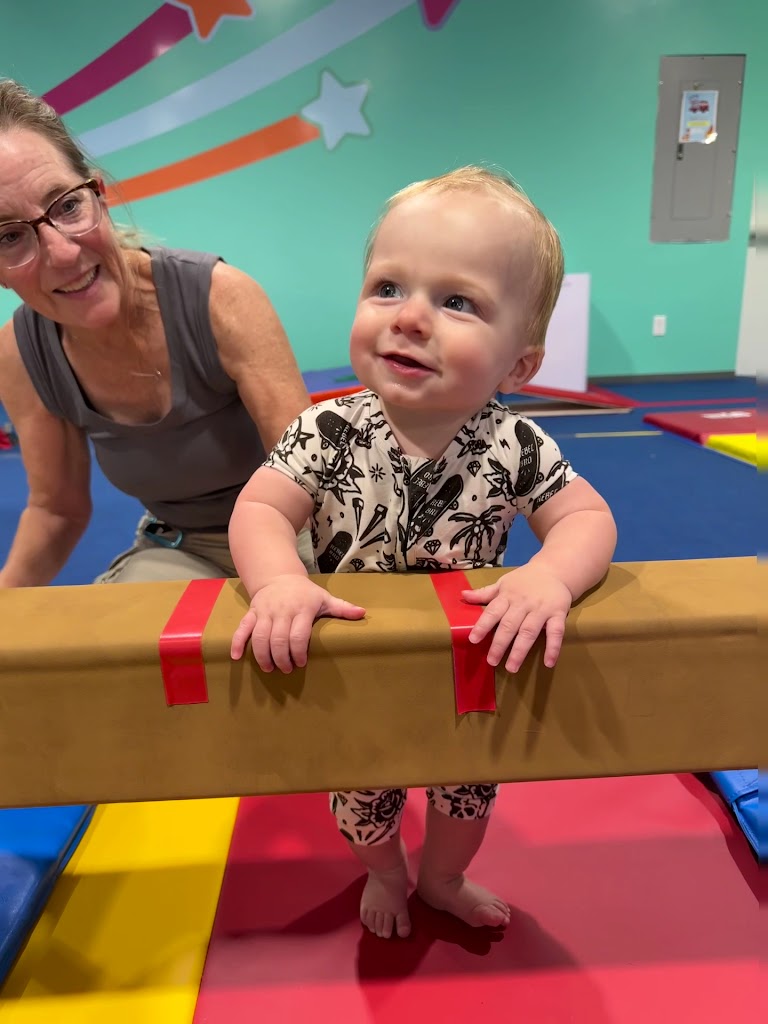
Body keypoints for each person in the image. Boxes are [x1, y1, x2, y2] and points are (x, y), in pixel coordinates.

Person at [229, 165, 617, 939]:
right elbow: (261, 507)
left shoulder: (514, 443)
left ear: (518, 365)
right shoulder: (327, 430)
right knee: (360, 804)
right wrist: (279, 581)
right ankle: (385, 870)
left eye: (457, 301)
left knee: (465, 797)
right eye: (386, 288)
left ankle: (443, 876)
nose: (409, 318)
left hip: (469, 667)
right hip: (357, 668)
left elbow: (588, 517)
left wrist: (549, 577)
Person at [0, 78, 313, 588]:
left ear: (98, 196)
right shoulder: (20, 354)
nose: (63, 253)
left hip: (294, 530)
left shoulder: (219, 299)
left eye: (67, 206)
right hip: (180, 548)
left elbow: (314, 478)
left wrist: (281, 582)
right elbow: (56, 511)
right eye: (10, 236)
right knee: (112, 649)